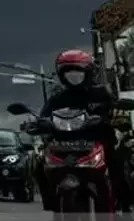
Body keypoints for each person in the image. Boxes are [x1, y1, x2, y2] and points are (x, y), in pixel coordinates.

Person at [34, 49, 131, 212]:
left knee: (117, 162)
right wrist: (39, 124)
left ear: (88, 72)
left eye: (78, 72)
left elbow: (115, 109)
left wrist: (116, 119)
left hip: (97, 141)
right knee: (38, 165)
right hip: (64, 145)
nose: (73, 76)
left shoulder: (101, 93)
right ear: (62, 75)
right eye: (69, 72)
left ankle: (124, 202)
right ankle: (51, 202)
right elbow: (44, 116)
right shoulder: (58, 97)